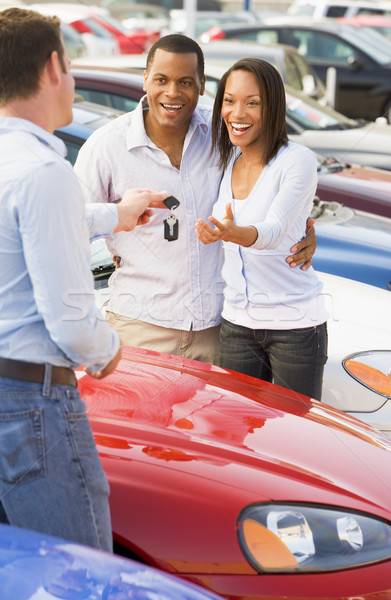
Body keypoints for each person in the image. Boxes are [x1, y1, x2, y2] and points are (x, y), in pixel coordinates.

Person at [0, 7, 168, 551]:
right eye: (70, 64)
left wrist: (113, 215)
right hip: (32, 403)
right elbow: (71, 323)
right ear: (52, 67)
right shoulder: (45, 171)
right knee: (80, 569)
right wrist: (111, 352)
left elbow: (22, 231)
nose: (70, 77)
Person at [74, 34, 317, 367]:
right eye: (161, 79)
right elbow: (71, 226)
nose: (172, 92)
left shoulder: (225, 131)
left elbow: (275, 176)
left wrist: (302, 231)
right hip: (139, 327)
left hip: (219, 331)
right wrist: (117, 219)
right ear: (145, 80)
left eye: (185, 82)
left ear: (203, 85)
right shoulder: (106, 147)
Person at [195, 58, 328, 400]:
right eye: (229, 100)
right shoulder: (226, 158)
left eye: (252, 103)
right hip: (236, 323)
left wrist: (230, 232)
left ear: (273, 107)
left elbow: (275, 233)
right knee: (235, 434)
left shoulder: (296, 159)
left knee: (295, 438)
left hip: (294, 327)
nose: (237, 113)